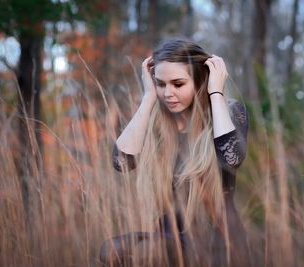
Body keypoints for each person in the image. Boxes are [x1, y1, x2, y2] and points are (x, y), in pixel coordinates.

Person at [100, 38, 249, 267]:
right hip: (169, 233)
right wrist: (148, 98)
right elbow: (120, 162)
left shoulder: (228, 111)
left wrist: (215, 93)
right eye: (161, 84)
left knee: (147, 254)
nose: (167, 93)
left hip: (215, 236)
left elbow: (231, 158)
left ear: (199, 80)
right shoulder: (158, 122)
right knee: (111, 251)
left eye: (178, 84)